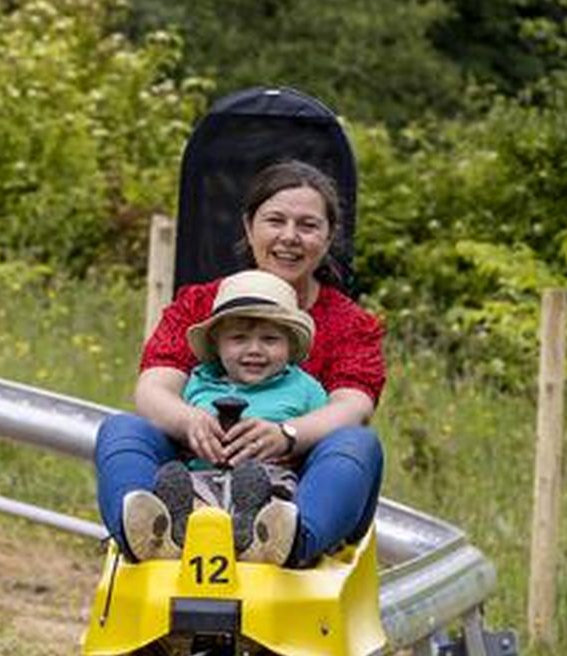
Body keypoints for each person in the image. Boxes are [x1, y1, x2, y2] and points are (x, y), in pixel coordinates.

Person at [95, 159, 385, 568]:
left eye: (307, 225)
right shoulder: (199, 305)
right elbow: (153, 388)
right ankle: (148, 536)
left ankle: (290, 541)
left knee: (358, 443)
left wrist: (286, 434)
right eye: (275, 221)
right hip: (198, 468)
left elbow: (354, 406)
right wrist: (190, 422)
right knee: (121, 429)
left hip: (298, 481)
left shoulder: (351, 324)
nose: (289, 237)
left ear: (328, 236)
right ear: (250, 228)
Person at [142, 269, 328, 563]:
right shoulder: (198, 383)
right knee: (177, 482)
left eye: (270, 339)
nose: (254, 350)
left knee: (277, 498)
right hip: (203, 475)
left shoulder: (305, 388)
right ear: (217, 345)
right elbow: (173, 429)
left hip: (272, 477)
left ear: (290, 344)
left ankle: (256, 532)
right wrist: (192, 428)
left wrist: (288, 438)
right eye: (239, 338)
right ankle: (180, 530)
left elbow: (323, 439)